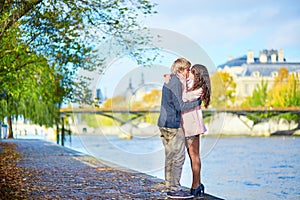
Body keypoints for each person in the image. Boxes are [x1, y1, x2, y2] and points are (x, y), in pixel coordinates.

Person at [157, 58, 202, 199]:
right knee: (178, 158)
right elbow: (179, 106)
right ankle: (174, 189)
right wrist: (197, 102)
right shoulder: (176, 82)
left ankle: (170, 187)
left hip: (163, 123)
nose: (189, 72)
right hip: (172, 124)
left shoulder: (170, 81)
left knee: (170, 157)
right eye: (187, 69)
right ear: (181, 70)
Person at [181, 64, 211, 197]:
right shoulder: (190, 85)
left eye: (191, 71)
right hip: (185, 124)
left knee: (194, 156)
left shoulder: (199, 89)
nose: (188, 73)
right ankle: (198, 184)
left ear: (196, 74)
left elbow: (183, 97)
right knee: (190, 156)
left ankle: (195, 185)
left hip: (192, 125)